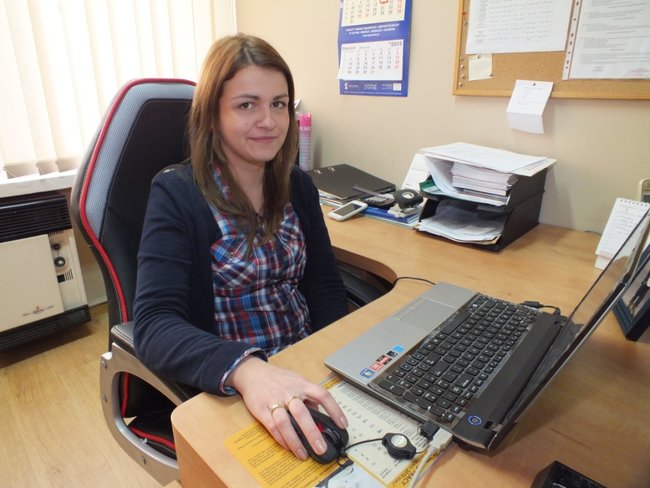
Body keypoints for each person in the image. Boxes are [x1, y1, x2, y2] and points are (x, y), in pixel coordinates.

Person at [133, 33, 350, 462]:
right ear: (213, 117)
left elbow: (323, 283)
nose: (269, 121)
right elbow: (154, 325)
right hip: (233, 386)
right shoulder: (177, 193)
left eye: (279, 104)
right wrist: (248, 370)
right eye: (247, 105)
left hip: (307, 364)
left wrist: (336, 362)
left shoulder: (297, 185)